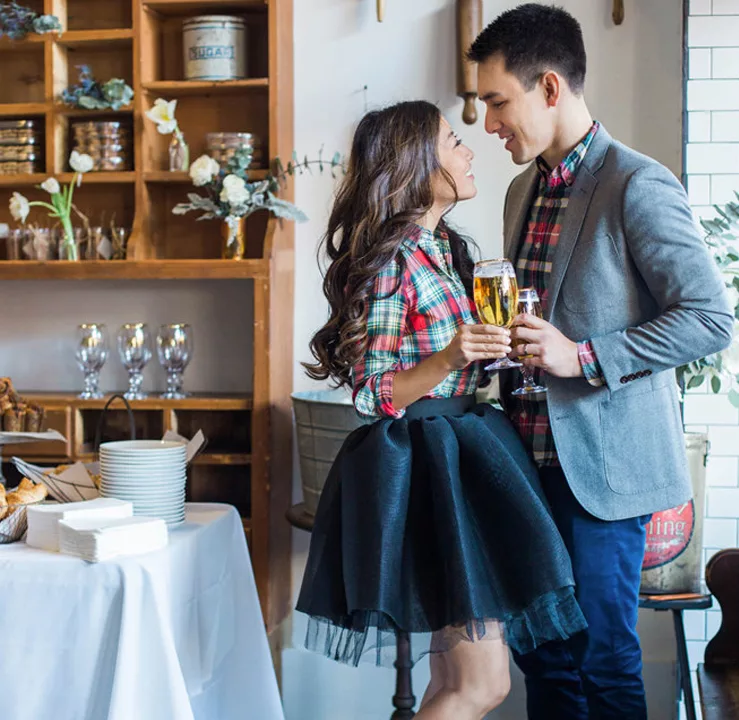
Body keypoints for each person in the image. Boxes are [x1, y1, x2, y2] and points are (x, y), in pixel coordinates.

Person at [466, 5, 734, 719]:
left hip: (601, 478)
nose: (487, 123)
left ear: (548, 87)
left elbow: (709, 320)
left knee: (600, 657)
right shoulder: (522, 190)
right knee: (542, 659)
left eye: (496, 101)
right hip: (524, 466)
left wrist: (579, 355)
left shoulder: (637, 184)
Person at [296, 100, 587, 719]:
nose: (468, 149)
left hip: (460, 449)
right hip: (426, 466)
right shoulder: (389, 262)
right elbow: (372, 392)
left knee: (453, 683)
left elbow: (453, 360)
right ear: (414, 164)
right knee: (484, 686)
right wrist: (454, 357)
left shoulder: (448, 250)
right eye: (453, 142)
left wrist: (496, 350)